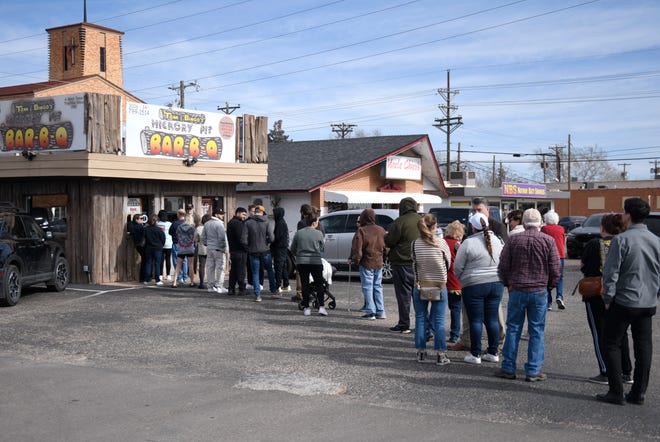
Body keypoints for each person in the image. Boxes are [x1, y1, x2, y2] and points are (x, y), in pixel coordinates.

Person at [597, 198, 660, 405]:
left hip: (624, 301)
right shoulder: (656, 240)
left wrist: (607, 298)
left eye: (624, 213)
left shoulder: (621, 240)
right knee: (644, 347)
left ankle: (616, 391)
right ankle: (638, 392)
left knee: (610, 343)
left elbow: (611, 272)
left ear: (629, 215)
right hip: (647, 302)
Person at [496, 208, 560, 382]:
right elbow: (555, 268)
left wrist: (507, 283)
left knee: (513, 328)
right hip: (539, 291)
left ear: (524, 223)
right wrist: (550, 285)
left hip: (517, 289)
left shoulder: (513, 240)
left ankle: (508, 367)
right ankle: (533, 370)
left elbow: (503, 265)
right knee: (536, 330)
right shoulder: (548, 241)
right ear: (540, 224)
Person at [581, 213, 633, 385]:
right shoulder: (625, 243)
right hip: (620, 293)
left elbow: (585, 267)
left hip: (596, 293)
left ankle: (605, 370)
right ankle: (626, 371)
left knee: (600, 332)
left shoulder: (594, 244)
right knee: (621, 334)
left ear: (602, 227)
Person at [454, 213, 504, 364]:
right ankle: (493, 352)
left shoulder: (468, 243)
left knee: (475, 320)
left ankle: (475, 354)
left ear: (472, 226)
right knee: (492, 319)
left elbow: (458, 266)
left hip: (474, 285)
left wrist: (463, 279)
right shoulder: (497, 240)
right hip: (496, 283)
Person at [411, 214, 451, 365]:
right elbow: (447, 264)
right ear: (435, 226)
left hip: (420, 284)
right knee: (440, 321)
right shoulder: (442, 243)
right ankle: (441, 354)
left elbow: (414, 263)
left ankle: (421, 352)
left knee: (420, 319)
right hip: (439, 285)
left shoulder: (415, 244)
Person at [385, 197, 420, 334]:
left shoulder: (399, 222)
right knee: (419, 297)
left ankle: (404, 324)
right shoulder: (422, 220)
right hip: (420, 263)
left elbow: (390, 240)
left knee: (403, 296)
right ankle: (423, 325)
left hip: (401, 262)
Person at [350, 208, 387, 320]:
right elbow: (386, 247)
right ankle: (381, 311)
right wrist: (383, 259)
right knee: (378, 286)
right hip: (378, 262)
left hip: (366, 262)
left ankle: (371, 311)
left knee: (367, 287)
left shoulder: (362, 230)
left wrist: (356, 260)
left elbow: (358, 249)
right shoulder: (381, 230)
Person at [290, 213, 327, 316]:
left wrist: (299, 254)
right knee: (319, 284)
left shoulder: (299, 233)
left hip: (302, 262)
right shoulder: (319, 234)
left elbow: (292, 249)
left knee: (305, 285)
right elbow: (321, 248)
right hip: (315, 261)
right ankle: (321, 307)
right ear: (314, 222)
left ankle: (306, 308)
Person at [245, 205, 277, 302]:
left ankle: (258, 295)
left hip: (253, 251)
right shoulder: (267, 222)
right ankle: (273, 290)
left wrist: (249, 246)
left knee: (255, 273)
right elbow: (272, 238)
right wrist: (266, 241)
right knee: (270, 270)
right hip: (265, 250)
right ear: (263, 212)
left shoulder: (248, 222)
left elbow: (243, 239)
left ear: (255, 212)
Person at [444, 220, 464, 344]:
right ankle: (454, 334)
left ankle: (431, 330)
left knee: (437, 309)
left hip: (441, 279)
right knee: (455, 309)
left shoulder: (442, 243)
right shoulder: (458, 245)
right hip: (455, 281)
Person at [542, 211, 567, 310]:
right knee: (560, 277)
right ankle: (559, 296)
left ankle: (548, 303)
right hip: (560, 255)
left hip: (548, 256)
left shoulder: (544, 229)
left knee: (547, 278)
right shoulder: (561, 229)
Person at [202, 208, 229, 294]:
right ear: (216, 215)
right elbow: (222, 238)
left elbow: (203, 237)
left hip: (210, 248)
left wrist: (207, 244)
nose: (223, 215)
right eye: (221, 214)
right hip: (218, 248)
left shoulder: (206, 224)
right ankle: (219, 286)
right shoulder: (220, 224)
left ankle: (210, 286)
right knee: (220, 268)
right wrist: (223, 249)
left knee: (210, 267)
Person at [227, 207, 248, 296]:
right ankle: (241, 289)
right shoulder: (238, 224)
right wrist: (247, 248)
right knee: (241, 271)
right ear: (238, 213)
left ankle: (231, 288)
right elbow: (241, 239)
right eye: (243, 214)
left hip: (233, 250)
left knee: (233, 271)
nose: (244, 217)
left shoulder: (230, 223)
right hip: (240, 251)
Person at [171, 211, 196, 287]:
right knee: (190, 265)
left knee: (178, 265)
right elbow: (193, 238)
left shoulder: (179, 227)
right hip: (189, 248)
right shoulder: (192, 228)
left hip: (181, 248)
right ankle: (191, 282)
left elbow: (177, 236)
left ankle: (174, 282)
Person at [271, 207, 291, 294]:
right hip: (283, 247)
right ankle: (286, 285)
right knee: (283, 266)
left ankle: (278, 286)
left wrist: (271, 243)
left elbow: (277, 237)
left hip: (279, 248)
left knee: (278, 267)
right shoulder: (282, 221)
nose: (273, 215)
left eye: (274, 213)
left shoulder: (280, 223)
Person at [143, 214, 165, 286]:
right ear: (157, 221)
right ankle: (157, 279)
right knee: (157, 264)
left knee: (148, 263)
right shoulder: (159, 230)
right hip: (158, 248)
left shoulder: (146, 229)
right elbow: (163, 239)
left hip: (148, 247)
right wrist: (161, 245)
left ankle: (146, 279)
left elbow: (144, 238)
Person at [194, 214, 211, 289]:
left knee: (202, 265)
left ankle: (201, 283)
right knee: (211, 266)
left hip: (202, 248)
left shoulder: (199, 228)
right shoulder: (212, 227)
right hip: (212, 248)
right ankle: (211, 282)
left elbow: (195, 239)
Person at [157, 210, 173, 281]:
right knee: (168, 259)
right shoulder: (170, 224)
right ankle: (168, 275)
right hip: (169, 243)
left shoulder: (157, 224)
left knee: (161, 260)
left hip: (160, 244)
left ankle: (160, 275)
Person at [130, 213, 146, 282]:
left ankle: (142, 277)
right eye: (141, 218)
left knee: (144, 260)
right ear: (136, 220)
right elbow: (144, 235)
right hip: (142, 245)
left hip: (137, 245)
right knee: (145, 261)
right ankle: (143, 277)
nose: (142, 219)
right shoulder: (140, 227)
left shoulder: (133, 227)